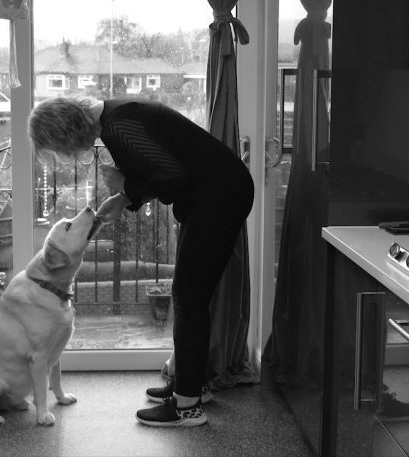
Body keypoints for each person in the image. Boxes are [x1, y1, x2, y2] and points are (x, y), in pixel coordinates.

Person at [28, 95, 254, 427]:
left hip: (219, 196)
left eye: (63, 146)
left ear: (67, 132)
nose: (71, 152)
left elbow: (174, 179)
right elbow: (162, 167)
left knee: (189, 296)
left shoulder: (117, 127)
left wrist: (125, 184)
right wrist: (124, 196)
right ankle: (192, 388)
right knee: (192, 294)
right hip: (219, 192)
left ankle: (187, 406)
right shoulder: (116, 115)